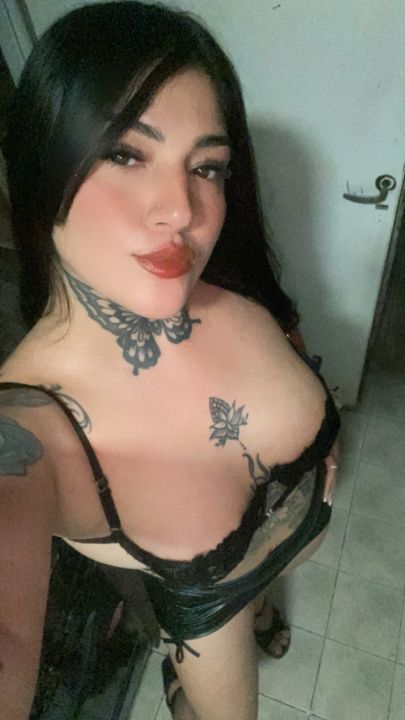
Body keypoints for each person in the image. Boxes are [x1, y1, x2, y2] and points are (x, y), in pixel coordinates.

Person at [0, 2, 340, 719]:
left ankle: (263, 604)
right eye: (126, 154)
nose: (183, 210)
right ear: (42, 162)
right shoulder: (33, 427)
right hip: (213, 622)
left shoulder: (219, 273)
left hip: (281, 560)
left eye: (207, 167)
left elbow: (283, 329)